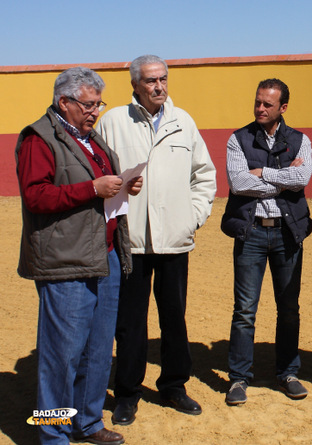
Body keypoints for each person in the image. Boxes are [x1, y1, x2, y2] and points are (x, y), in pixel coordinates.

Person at [16, 67, 142, 445]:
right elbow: (36, 196)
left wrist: (124, 185)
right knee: (61, 356)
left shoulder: (92, 139)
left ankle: (87, 423)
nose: (95, 111)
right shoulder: (39, 138)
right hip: (64, 261)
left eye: (98, 104)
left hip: (103, 256)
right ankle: (53, 435)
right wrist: (92, 188)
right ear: (64, 102)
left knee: (99, 350)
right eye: (88, 105)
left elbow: (101, 191)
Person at [97, 55, 217, 424]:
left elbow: (204, 176)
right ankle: (128, 393)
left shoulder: (184, 122)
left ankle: (174, 386)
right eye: (150, 81)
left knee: (174, 317)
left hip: (175, 240)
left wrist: (192, 217)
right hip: (130, 242)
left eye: (163, 79)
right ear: (135, 84)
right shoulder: (114, 122)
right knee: (130, 321)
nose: (159, 86)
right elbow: (98, 174)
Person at [221, 78, 312, 406]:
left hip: (288, 233)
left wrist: (262, 173)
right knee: (244, 310)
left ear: (283, 108)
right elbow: (237, 183)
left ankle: (288, 373)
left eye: (267, 104)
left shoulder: (301, 140)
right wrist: (283, 177)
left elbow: (303, 178)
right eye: (257, 102)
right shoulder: (238, 138)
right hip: (252, 232)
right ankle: (238, 378)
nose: (260, 108)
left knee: (289, 308)